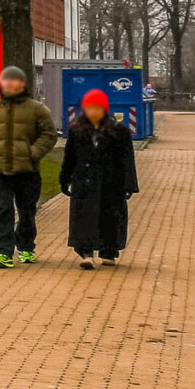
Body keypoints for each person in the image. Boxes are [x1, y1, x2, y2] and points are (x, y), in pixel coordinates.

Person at [0, 66, 58, 268]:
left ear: (22, 84)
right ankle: (2, 252)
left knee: (27, 212)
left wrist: (34, 153)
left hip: (28, 171)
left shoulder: (37, 109)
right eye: (7, 81)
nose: (11, 85)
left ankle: (26, 247)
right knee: (2, 211)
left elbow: (49, 135)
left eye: (15, 81)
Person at [59, 88, 140, 266]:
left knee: (110, 217)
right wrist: (64, 179)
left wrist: (129, 184)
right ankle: (85, 252)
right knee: (84, 218)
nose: (93, 112)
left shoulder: (119, 131)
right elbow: (70, 157)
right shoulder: (77, 131)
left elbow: (127, 159)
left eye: (97, 108)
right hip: (84, 182)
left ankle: (108, 251)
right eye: (89, 108)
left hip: (111, 183)